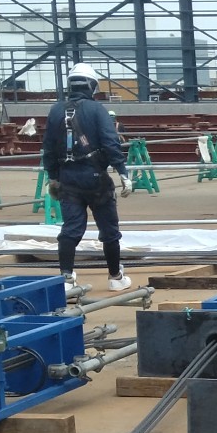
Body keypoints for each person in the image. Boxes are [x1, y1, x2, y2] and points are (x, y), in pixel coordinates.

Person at [41, 64, 132, 293]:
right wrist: (123, 172)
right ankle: (115, 276)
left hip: (68, 179)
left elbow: (48, 148)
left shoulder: (55, 111)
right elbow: (110, 143)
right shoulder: (97, 110)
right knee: (109, 230)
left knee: (71, 229)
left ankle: (66, 278)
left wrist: (53, 177)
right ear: (92, 86)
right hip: (96, 179)